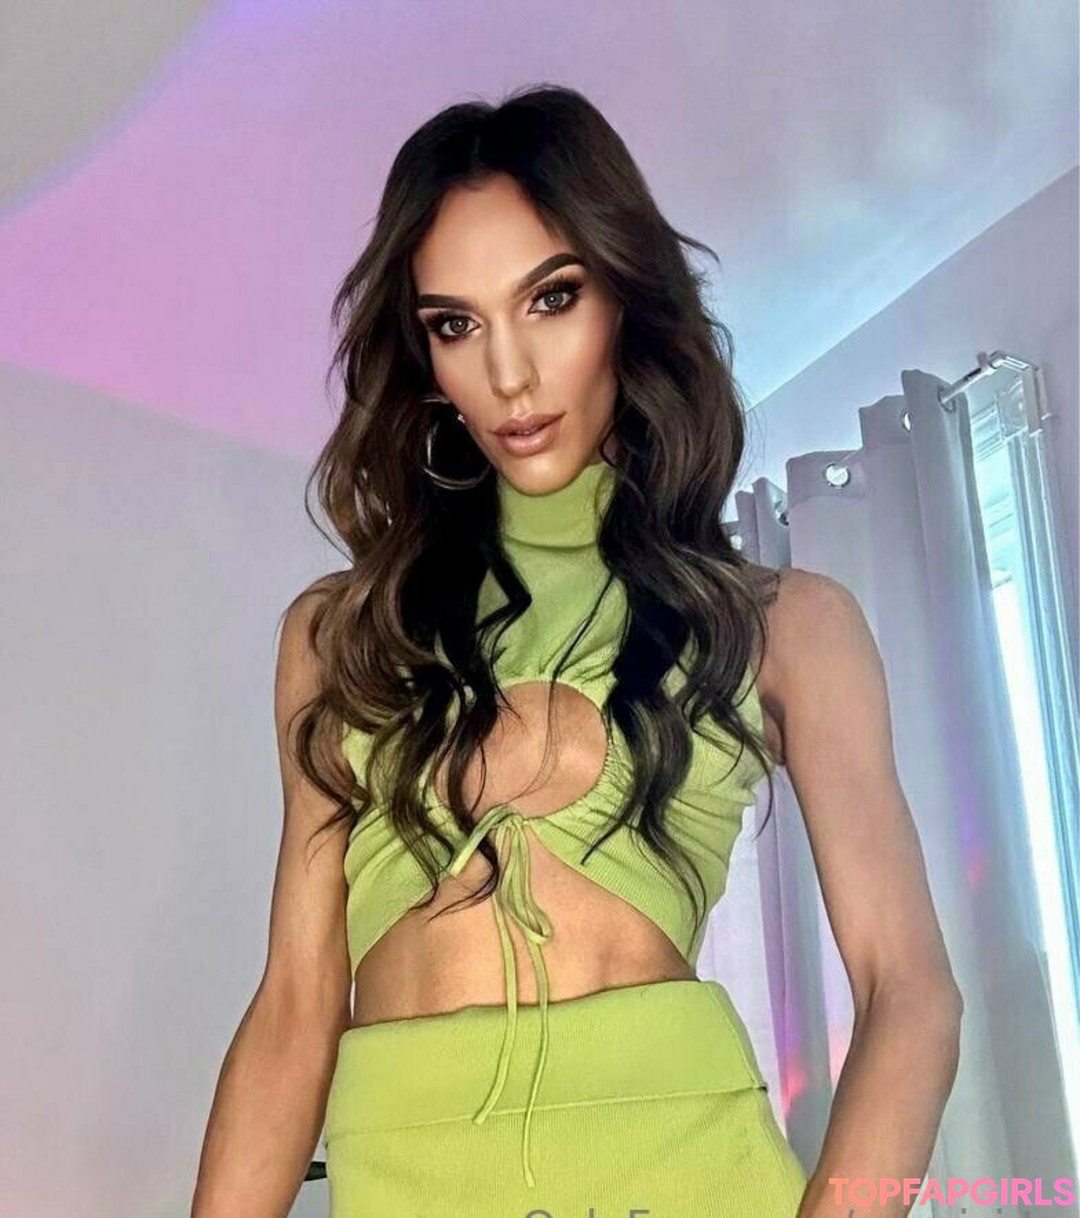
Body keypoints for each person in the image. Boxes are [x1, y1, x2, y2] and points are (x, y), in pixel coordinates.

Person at [191, 84, 963, 1218]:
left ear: (625, 302)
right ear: (423, 355)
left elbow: (912, 992)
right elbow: (295, 1013)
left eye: (550, 299)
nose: (509, 375)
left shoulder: (785, 626)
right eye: (456, 324)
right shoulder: (342, 637)